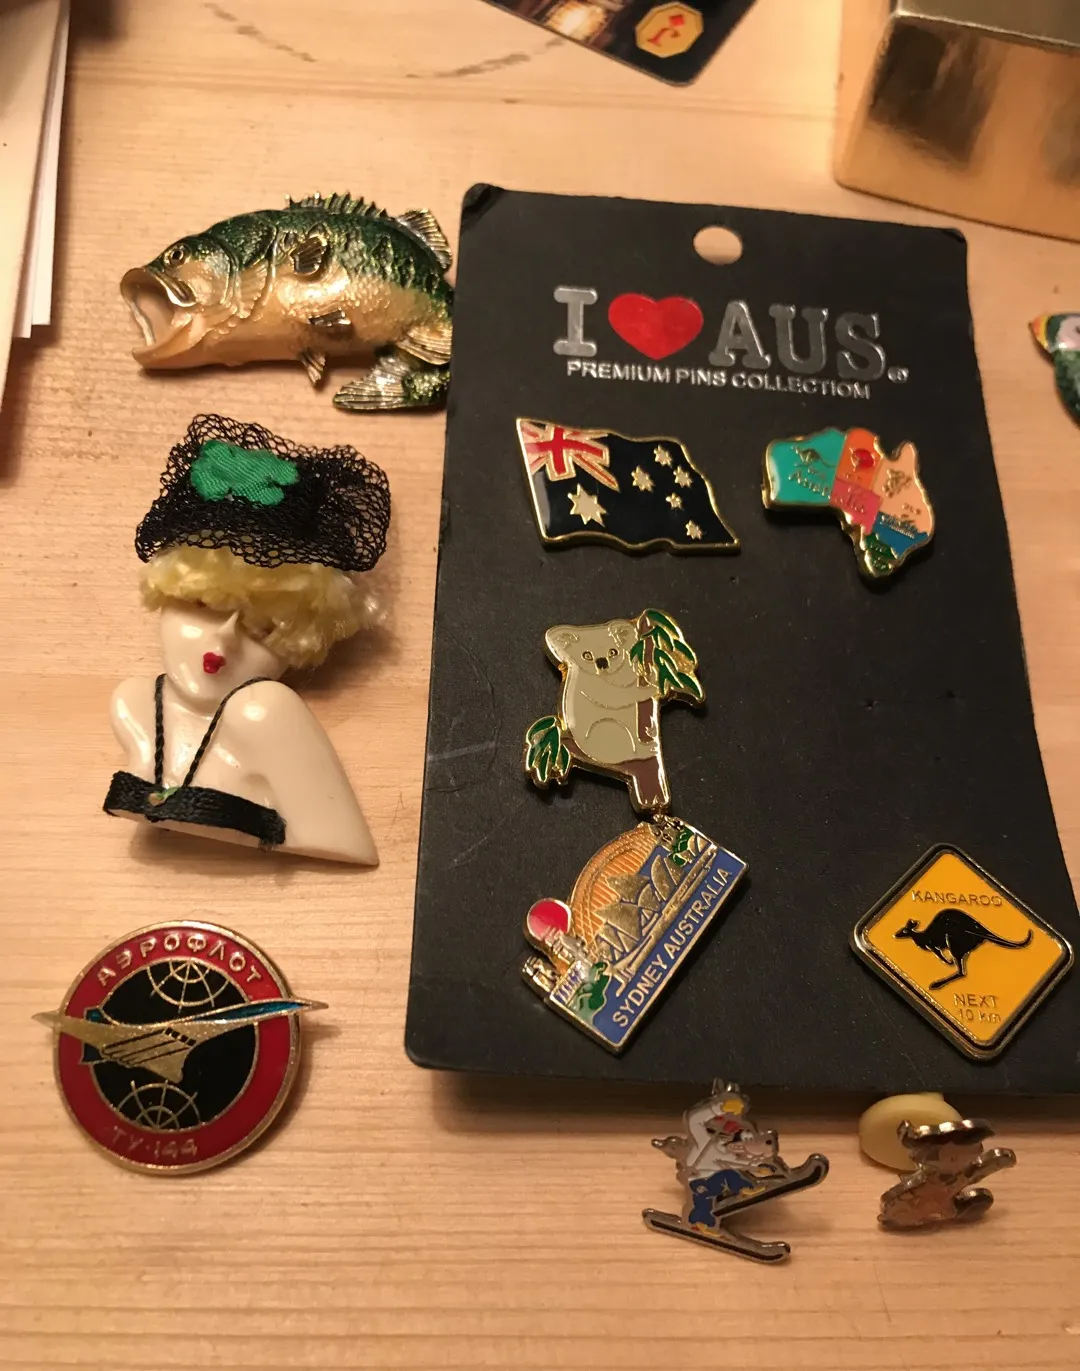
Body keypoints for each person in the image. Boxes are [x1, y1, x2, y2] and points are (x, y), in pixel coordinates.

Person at [104, 414, 390, 865]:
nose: (223, 641)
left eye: (263, 627)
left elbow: (343, 841)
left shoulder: (265, 710)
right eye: (203, 605)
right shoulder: (136, 705)